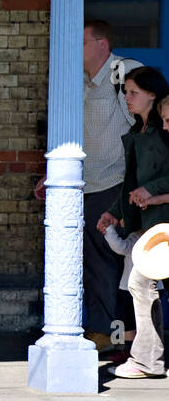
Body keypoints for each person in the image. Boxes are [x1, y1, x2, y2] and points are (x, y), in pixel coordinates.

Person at [35, 20, 140, 352]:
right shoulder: (77, 80)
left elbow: (143, 129)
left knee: (117, 261)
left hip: (116, 183)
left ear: (102, 45)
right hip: (84, 184)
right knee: (94, 261)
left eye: (80, 41)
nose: (74, 48)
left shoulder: (126, 74)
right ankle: (105, 333)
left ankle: (120, 336)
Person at [98, 71, 169, 377]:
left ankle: (148, 360)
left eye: (133, 92)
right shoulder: (136, 134)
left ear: (152, 95)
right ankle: (149, 359)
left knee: (141, 284)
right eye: (125, 92)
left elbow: (151, 181)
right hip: (145, 222)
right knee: (142, 285)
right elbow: (131, 182)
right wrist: (115, 211)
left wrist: (151, 192)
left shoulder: (163, 132)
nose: (126, 98)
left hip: (161, 221)